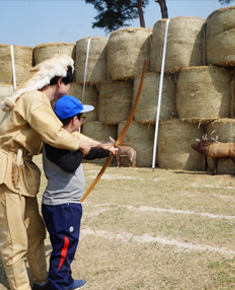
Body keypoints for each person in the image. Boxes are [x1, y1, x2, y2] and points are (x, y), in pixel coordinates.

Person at [0, 54, 117, 290]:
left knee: (34, 233)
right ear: (60, 80)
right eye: (69, 83)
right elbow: (56, 135)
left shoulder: (44, 106)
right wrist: (83, 146)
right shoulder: (34, 99)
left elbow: (69, 135)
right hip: (6, 169)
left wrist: (100, 146)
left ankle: (42, 282)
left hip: (21, 171)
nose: (69, 88)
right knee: (14, 241)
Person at [42, 95, 113, 290]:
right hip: (61, 205)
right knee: (64, 247)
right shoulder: (54, 141)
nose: (82, 121)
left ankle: (64, 280)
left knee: (65, 246)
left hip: (64, 204)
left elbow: (86, 151)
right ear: (74, 120)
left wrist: (107, 150)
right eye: (82, 118)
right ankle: (59, 285)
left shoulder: (69, 139)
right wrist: (81, 148)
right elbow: (70, 163)